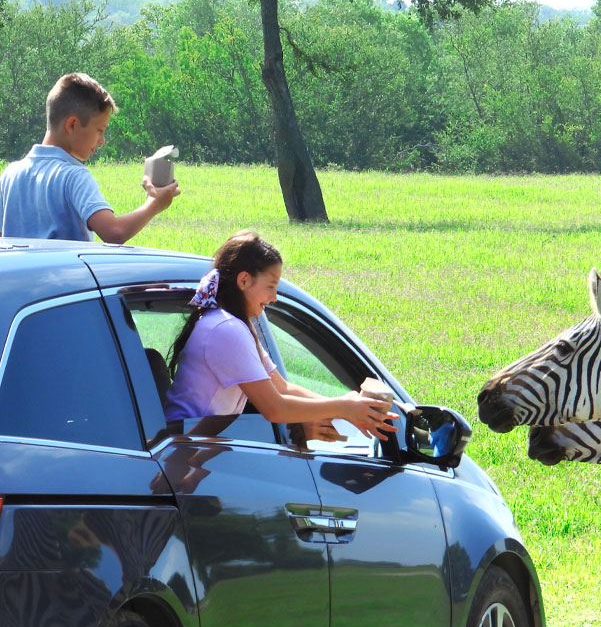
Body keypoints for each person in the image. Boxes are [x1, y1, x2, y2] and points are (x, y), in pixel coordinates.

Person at [164, 230, 398, 442]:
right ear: (244, 280)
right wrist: (343, 407)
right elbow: (275, 408)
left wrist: (349, 410)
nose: (274, 297)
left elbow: (282, 387)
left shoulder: (232, 325)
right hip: (184, 447)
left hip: (189, 445)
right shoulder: (227, 329)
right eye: (271, 286)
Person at [0, 72, 180, 243]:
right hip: (66, 276)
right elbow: (113, 232)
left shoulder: (10, 174)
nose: (102, 141)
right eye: (100, 130)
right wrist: (155, 203)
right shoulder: (74, 176)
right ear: (72, 125)